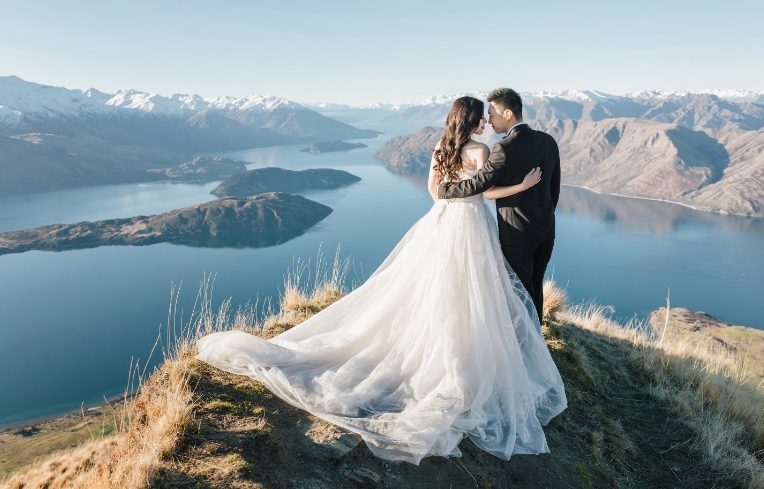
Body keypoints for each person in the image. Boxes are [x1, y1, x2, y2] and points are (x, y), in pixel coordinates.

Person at [196, 96, 567, 465]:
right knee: (471, 289)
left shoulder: (442, 146)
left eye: (490, 116)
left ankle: (438, 339)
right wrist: (521, 187)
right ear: (471, 122)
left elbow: (434, 192)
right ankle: (465, 348)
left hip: (441, 224)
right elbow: (484, 192)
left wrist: (451, 203)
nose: (487, 121)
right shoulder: (481, 152)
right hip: (471, 226)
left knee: (432, 286)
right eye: (481, 118)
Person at [439, 88, 560, 323]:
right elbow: (553, 190)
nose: (489, 121)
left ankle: (526, 346)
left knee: (520, 292)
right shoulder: (548, 142)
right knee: (536, 287)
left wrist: (445, 190)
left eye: (492, 114)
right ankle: (537, 338)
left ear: (507, 114)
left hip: (516, 234)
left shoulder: (504, 148)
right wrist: (544, 217)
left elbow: (479, 184)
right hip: (546, 232)